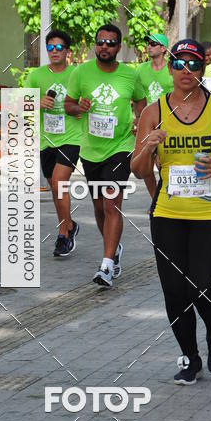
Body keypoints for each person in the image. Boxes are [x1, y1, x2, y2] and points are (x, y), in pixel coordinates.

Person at [131, 39, 211, 385]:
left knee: (202, 286)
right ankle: (190, 358)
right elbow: (138, 169)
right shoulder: (153, 112)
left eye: (193, 64)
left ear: (203, 69)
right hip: (167, 212)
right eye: (179, 64)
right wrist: (148, 147)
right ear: (169, 68)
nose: (186, 71)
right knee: (174, 291)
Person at [65, 23, 145, 288]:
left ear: (119, 48)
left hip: (121, 147)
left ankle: (107, 265)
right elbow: (67, 105)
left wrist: (140, 123)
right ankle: (114, 249)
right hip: (90, 150)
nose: (105, 47)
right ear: (95, 45)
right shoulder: (81, 72)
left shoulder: (130, 76)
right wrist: (79, 107)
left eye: (111, 43)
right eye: (101, 42)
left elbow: (141, 103)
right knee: (98, 208)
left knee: (111, 205)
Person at [25, 30, 82, 257]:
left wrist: (79, 108)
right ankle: (69, 224)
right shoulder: (36, 75)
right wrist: (37, 102)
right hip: (46, 139)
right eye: (50, 48)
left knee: (59, 183)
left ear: (68, 51)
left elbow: (87, 102)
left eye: (59, 48)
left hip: (71, 137)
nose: (54, 52)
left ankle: (63, 234)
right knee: (54, 187)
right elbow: (19, 104)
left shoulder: (77, 75)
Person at [134, 33, 174, 202]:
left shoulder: (172, 69)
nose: (149, 46)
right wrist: (137, 119)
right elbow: (137, 97)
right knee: (145, 167)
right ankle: (155, 199)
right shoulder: (141, 69)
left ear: (163, 48)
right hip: (148, 122)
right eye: (148, 44)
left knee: (163, 164)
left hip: (169, 122)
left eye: (153, 44)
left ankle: (169, 198)